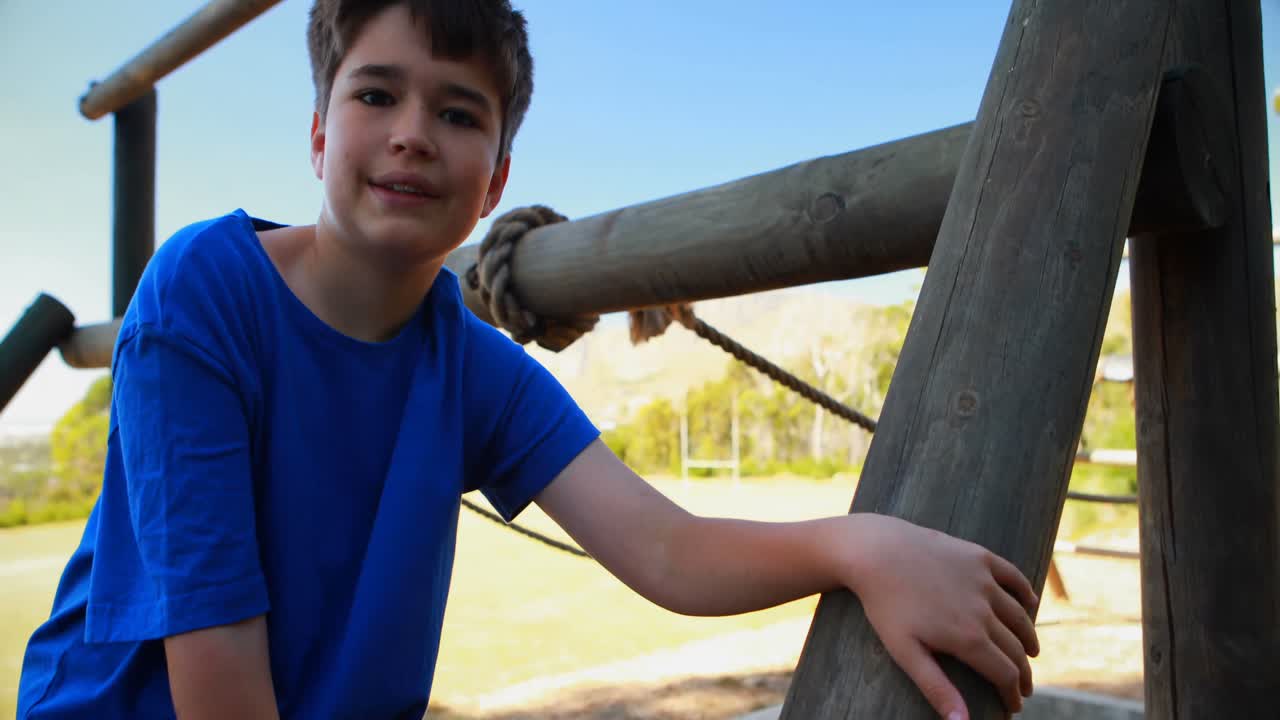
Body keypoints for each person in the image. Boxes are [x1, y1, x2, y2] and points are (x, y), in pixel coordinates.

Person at [17, 2, 1040, 718]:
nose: (414, 135)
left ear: (496, 175)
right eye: (377, 95)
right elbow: (221, 686)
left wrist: (856, 547)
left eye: (457, 112)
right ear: (319, 131)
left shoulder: (469, 367)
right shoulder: (206, 292)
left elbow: (665, 551)